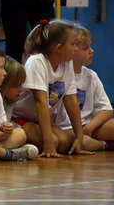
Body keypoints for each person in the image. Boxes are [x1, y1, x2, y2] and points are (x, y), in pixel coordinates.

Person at [12, 19, 93, 158]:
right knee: (54, 142)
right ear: (59, 48)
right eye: (73, 44)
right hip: (19, 118)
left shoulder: (66, 63)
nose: (76, 48)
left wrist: (79, 136)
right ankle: (20, 147)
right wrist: (48, 141)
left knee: (65, 142)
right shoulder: (37, 61)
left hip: (39, 120)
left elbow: (71, 100)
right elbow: (40, 102)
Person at [53, 27, 114, 151]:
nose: (91, 51)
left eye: (90, 46)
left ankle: (94, 141)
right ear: (72, 51)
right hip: (64, 128)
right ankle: (105, 145)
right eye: (85, 48)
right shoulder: (58, 74)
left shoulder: (91, 75)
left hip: (87, 124)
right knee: (78, 142)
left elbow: (106, 110)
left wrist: (90, 127)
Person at [0, 56, 26, 123]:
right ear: (3, 84)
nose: (21, 90)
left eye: (21, 84)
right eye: (16, 86)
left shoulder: (10, 101)